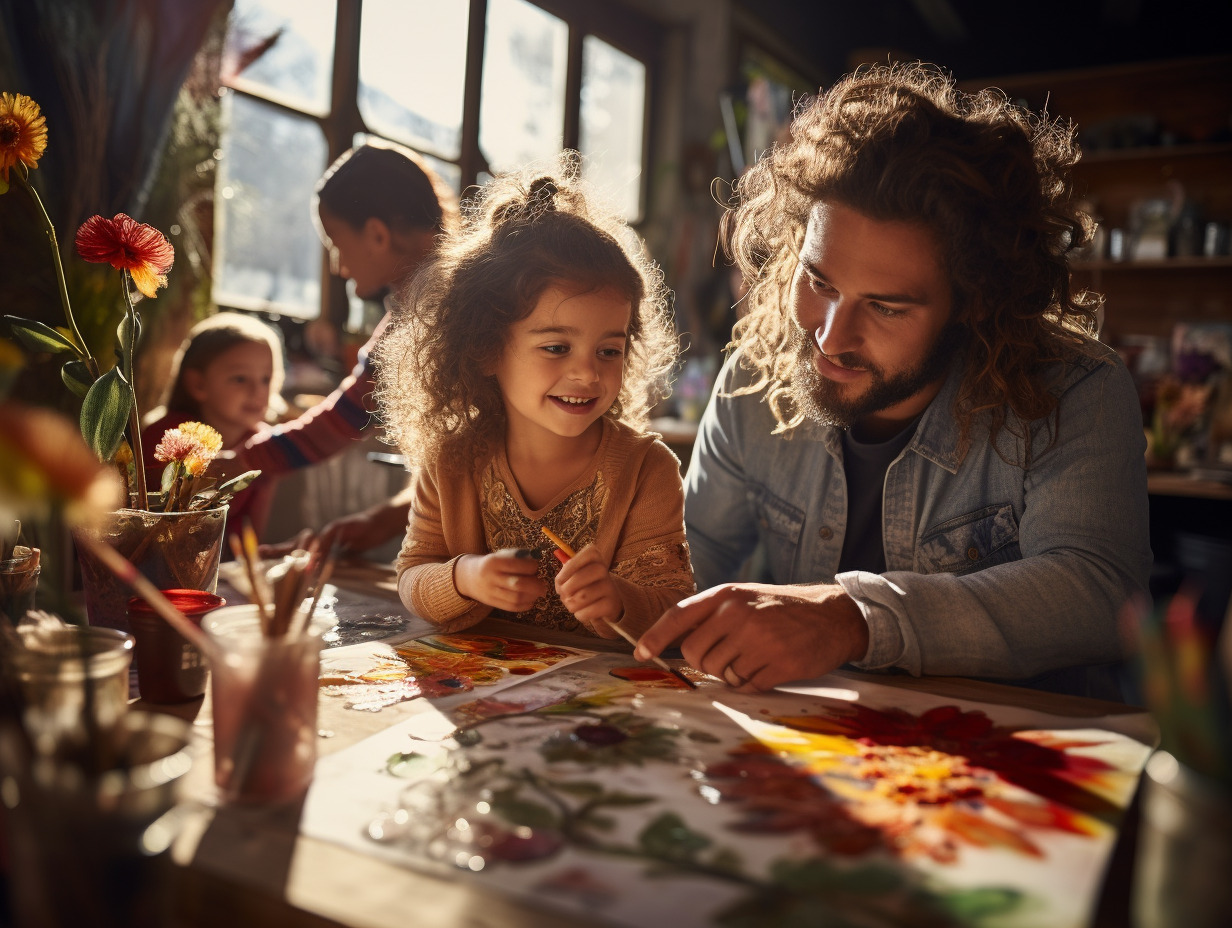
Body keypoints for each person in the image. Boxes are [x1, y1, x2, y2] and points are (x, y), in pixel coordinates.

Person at [634, 62, 1151, 698]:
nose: (829, 336)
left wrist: (854, 618)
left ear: (975, 300)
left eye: (886, 307)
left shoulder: (1075, 390)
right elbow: (685, 572)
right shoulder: (752, 378)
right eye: (819, 282)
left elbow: (1099, 594)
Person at [375, 153, 694, 639]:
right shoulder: (451, 460)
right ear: (485, 348)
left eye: (610, 349)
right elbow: (413, 575)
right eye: (556, 347)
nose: (587, 371)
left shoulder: (647, 469)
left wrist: (619, 599)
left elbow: (673, 605)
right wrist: (465, 577)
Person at [233, 139, 458, 555]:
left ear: (376, 234)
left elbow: (340, 421)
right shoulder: (433, 303)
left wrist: (235, 464)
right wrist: (375, 523)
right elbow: (458, 473)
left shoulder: (436, 315)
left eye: (336, 244)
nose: (337, 266)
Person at [141, 311, 286, 539]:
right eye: (240, 378)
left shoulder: (264, 446)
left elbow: (251, 535)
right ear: (198, 383)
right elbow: (153, 527)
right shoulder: (167, 438)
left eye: (266, 379)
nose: (258, 391)